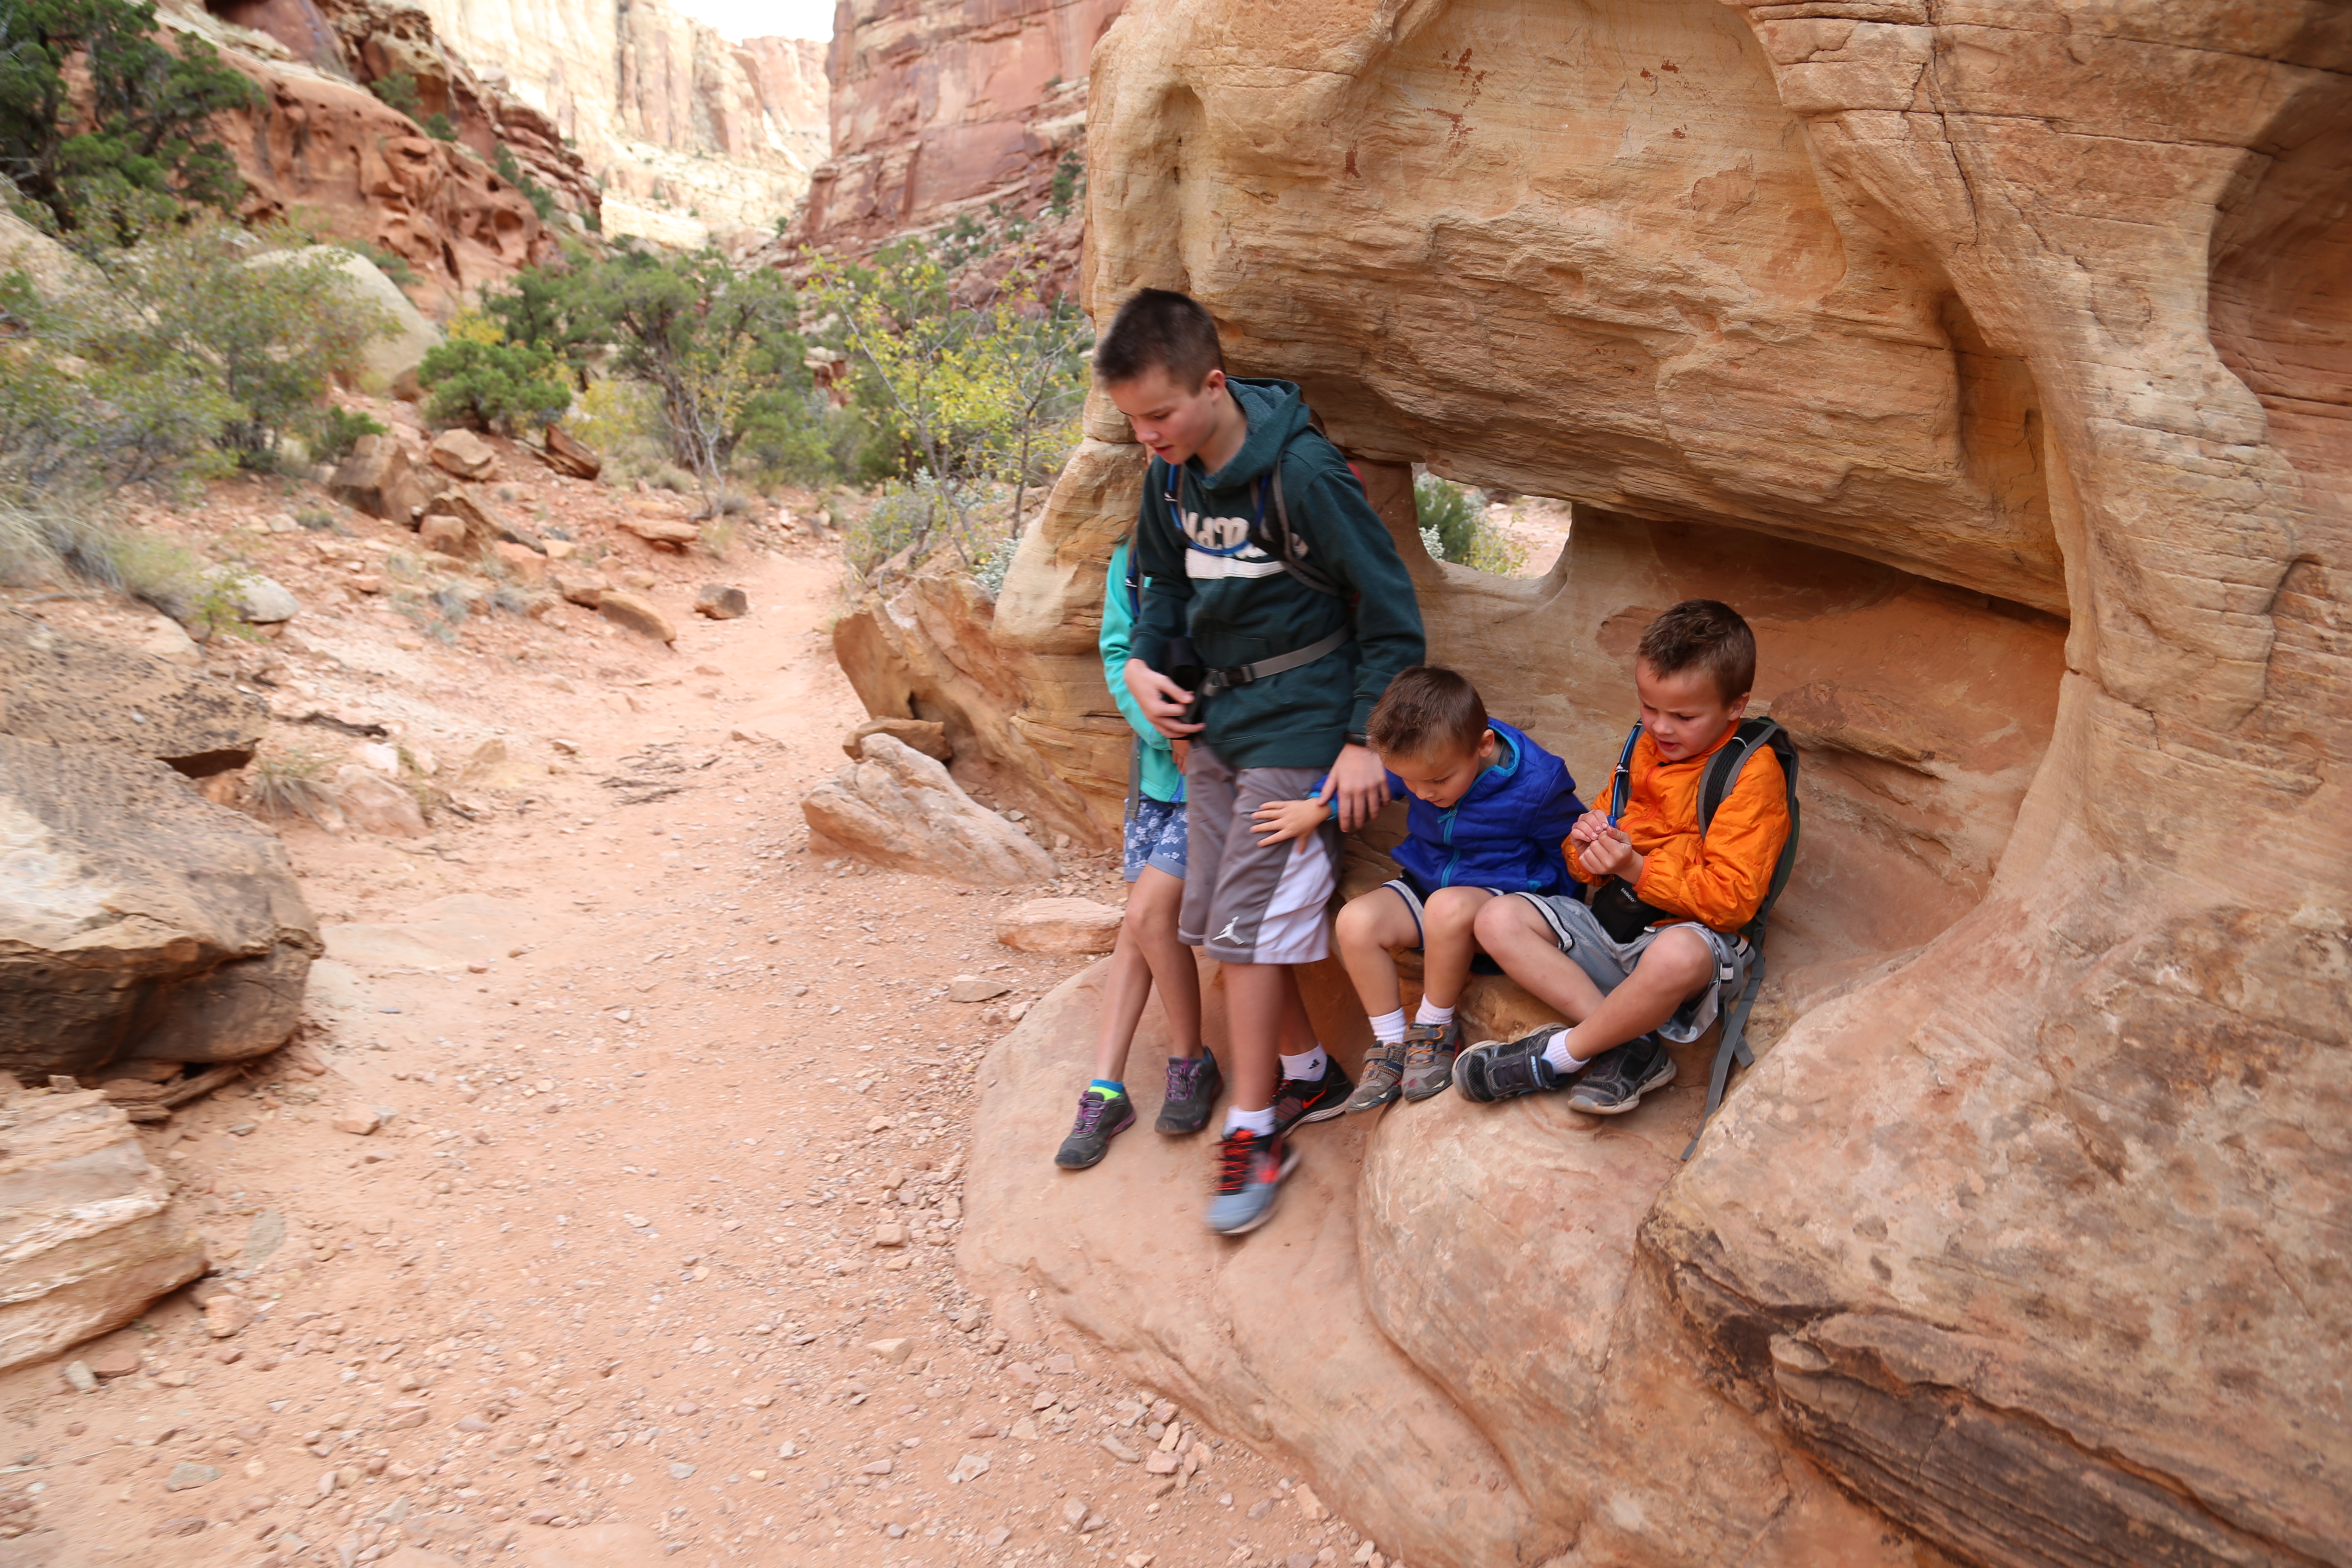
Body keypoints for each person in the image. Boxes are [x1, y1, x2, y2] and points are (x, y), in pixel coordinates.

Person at [1098, 288, 1425, 1235]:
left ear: (1213, 383)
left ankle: (1255, 1129)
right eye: (1132, 421)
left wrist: (1366, 739)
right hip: (1215, 725)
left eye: (1159, 414)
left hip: (1299, 726)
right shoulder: (1166, 475)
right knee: (1209, 923)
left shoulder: (1304, 475)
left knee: (1242, 932)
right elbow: (1159, 583)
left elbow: (1391, 610)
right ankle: (1308, 1072)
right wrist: (1156, 664)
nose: (1148, 434)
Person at [1456, 600, 1789, 1115]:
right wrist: (1587, 848)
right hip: (1617, 929)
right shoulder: (1644, 745)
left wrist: (1635, 868)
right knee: (1497, 918)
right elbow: (1585, 845)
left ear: (1734, 706)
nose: (1661, 727)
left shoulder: (1749, 773)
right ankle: (1631, 1045)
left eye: (1683, 716)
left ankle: (1561, 1056)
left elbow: (1734, 902)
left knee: (1676, 954)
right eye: (1649, 707)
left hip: (1687, 948)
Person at [1249, 666, 1585, 1112]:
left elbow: (1569, 848)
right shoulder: (1422, 762)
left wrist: (1556, 914)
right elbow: (1374, 780)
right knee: (1356, 921)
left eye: (1440, 781)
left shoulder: (1538, 783)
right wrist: (1318, 807)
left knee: (1447, 907)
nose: (1424, 794)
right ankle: (1392, 1046)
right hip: (1426, 883)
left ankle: (1435, 1027)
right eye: (1413, 783)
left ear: (1484, 745)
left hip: (1500, 901)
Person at [1054, 538, 1220, 1169]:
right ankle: (1106, 1085)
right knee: (1137, 927)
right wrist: (1164, 729)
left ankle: (1191, 1059)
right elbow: (1120, 650)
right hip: (1155, 776)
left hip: (1215, 776)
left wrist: (1202, 738)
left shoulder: (1239, 542)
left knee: (1151, 916)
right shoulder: (1133, 556)